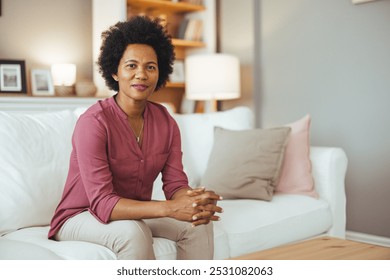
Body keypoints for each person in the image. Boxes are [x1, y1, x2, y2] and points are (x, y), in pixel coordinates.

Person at [48, 16, 223, 260]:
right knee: (134, 232)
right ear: (115, 71)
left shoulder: (167, 122)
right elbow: (102, 203)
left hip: (132, 211)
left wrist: (194, 201)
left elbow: (174, 184)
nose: (141, 74)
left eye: (150, 67)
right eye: (131, 65)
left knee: (198, 223)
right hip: (80, 215)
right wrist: (170, 208)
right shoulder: (93, 123)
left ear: (159, 73)